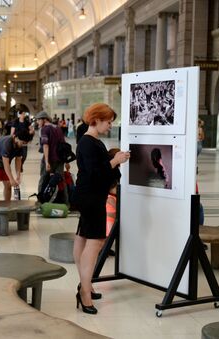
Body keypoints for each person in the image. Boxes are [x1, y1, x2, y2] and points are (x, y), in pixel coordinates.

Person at [72, 103, 129, 315]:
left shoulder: (92, 141)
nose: (110, 126)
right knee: (94, 242)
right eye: (108, 122)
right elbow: (96, 174)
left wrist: (113, 159)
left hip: (89, 196)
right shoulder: (88, 143)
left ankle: (85, 286)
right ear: (96, 120)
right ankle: (85, 292)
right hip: (91, 197)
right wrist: (115, 161)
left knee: (83, 238)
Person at [0, 129, 34, 201]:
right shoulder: (7, 143)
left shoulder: (20, 145)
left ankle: (7, 205)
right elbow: (5, 163)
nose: (23, 145)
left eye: (25, 143)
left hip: (4, 163)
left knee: (8, 185)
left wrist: (18, 176)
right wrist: (11, 179)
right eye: (22, 142)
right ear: (16, 138)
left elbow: (18, 161)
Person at [35, 111, 66, 203]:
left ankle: (41, 200)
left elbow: (45, 145)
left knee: (43, 178)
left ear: (44, 120)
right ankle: (64, 201)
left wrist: (47, 161)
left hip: (50, 158)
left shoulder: (45, 129)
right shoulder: (58, 128)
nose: (37, 122)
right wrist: (66, 161)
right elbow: (64, 145)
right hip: (60, 159)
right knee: (60, 179)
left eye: (39, 120)